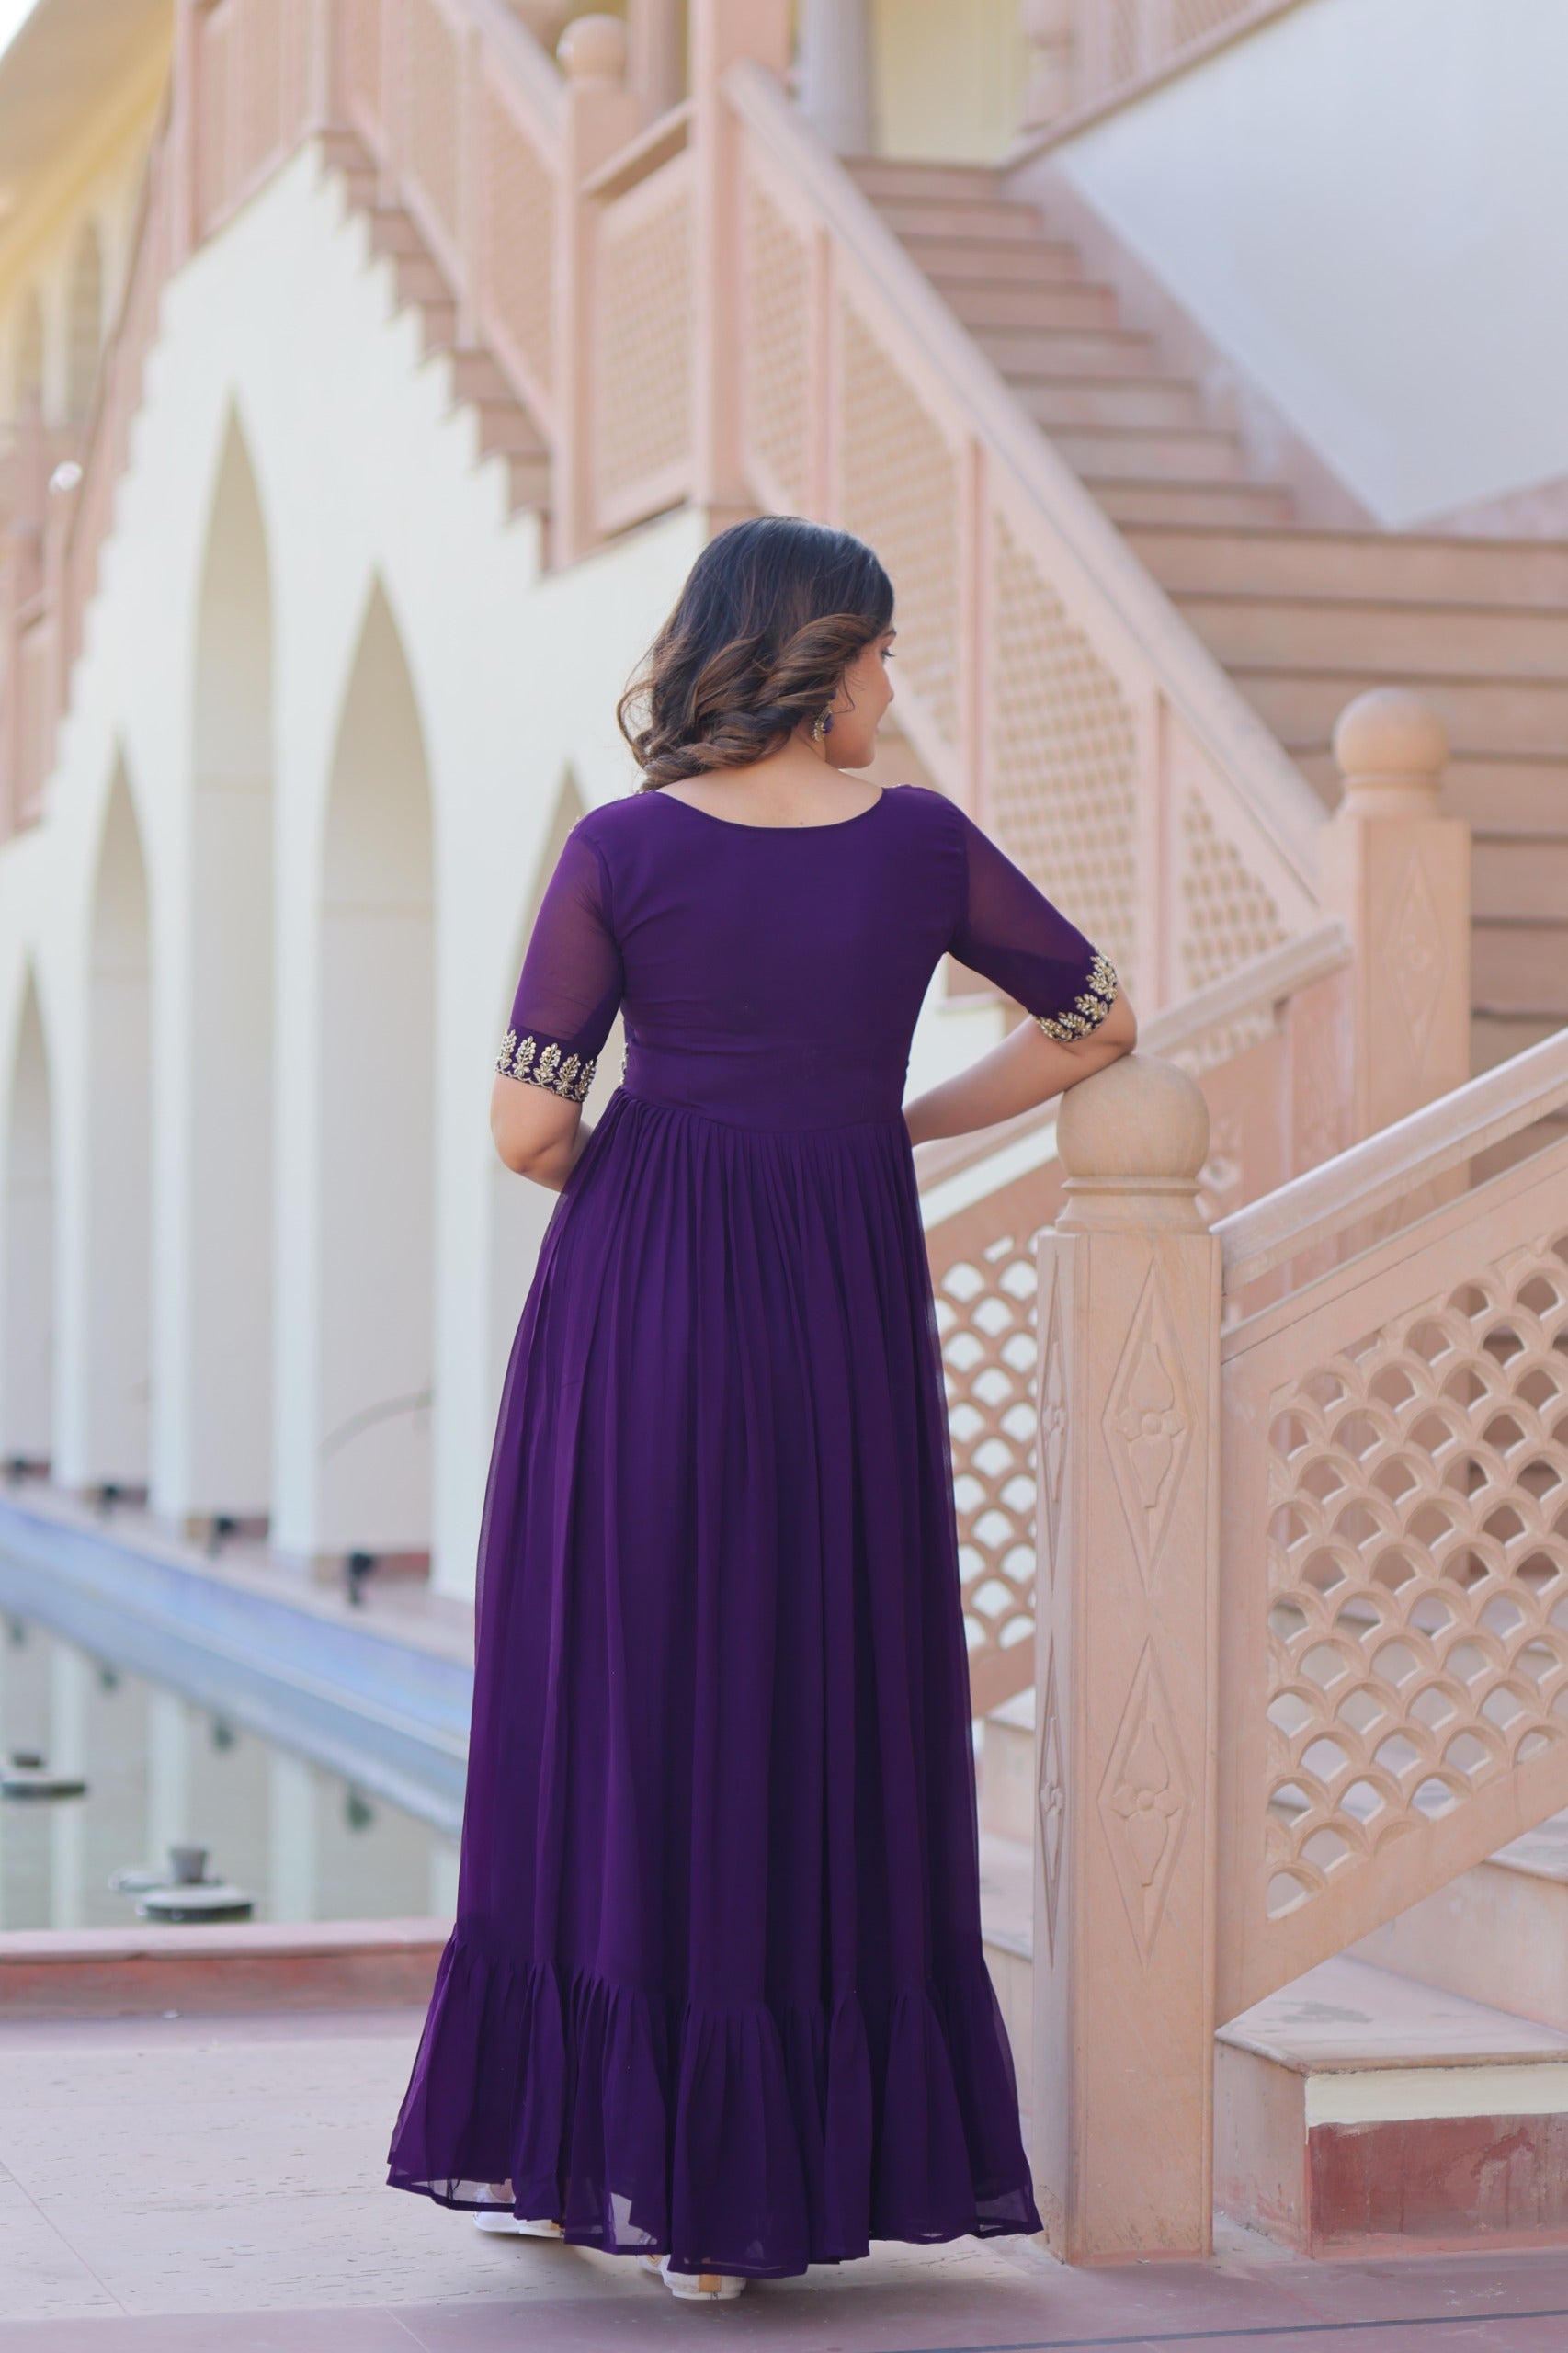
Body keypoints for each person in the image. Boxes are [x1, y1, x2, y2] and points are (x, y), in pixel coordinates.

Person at [386, 517, 1137, 2300]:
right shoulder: (924, 846)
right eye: (878, 649)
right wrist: (896, 1121)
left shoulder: (619, 846)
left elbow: (525, 1128)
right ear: (815, 657)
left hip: (633, 1298)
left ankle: (593, 2151)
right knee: (810, 1685)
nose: (894, 681)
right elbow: (1095, 1019)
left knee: (617, 1690)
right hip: (834, 1303)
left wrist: (650, 1176)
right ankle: (744, 2194)